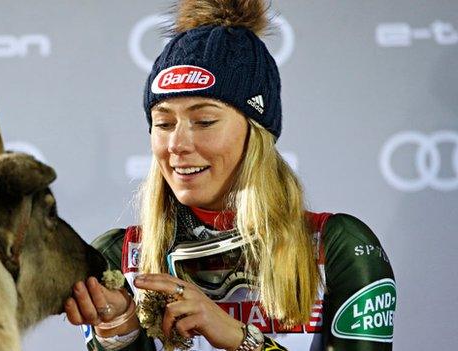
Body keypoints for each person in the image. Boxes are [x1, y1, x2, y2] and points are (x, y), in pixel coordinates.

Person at [64, 0, 396, 350]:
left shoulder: (340, 248)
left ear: (256, 132)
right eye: (163, 123)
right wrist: (120, 332)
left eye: (204, 121)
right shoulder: (119, 257)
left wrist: (241, 339)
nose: (176, 144)